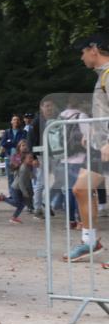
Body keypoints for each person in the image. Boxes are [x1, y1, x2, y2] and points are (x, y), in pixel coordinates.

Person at [65, 34, 109, 261]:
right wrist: (93, 131)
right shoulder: (103, 76)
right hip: (99, 146)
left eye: (82, 52)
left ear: (94, 49)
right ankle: (90, 241)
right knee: (81, 189)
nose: (81, 57)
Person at [0, 115, 27, 187]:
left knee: (20, 176)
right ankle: (12, 195)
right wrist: (15, 143)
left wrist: (10, 142)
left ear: (20, 122)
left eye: (17, 120)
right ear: (11, 122)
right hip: (9, 156)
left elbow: (23, 143)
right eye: (14, 120)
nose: (16, 121)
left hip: (19, 156)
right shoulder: (7, 132)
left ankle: (20, 194)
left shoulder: (24, 132)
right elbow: (3, 143)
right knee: (10, 177)